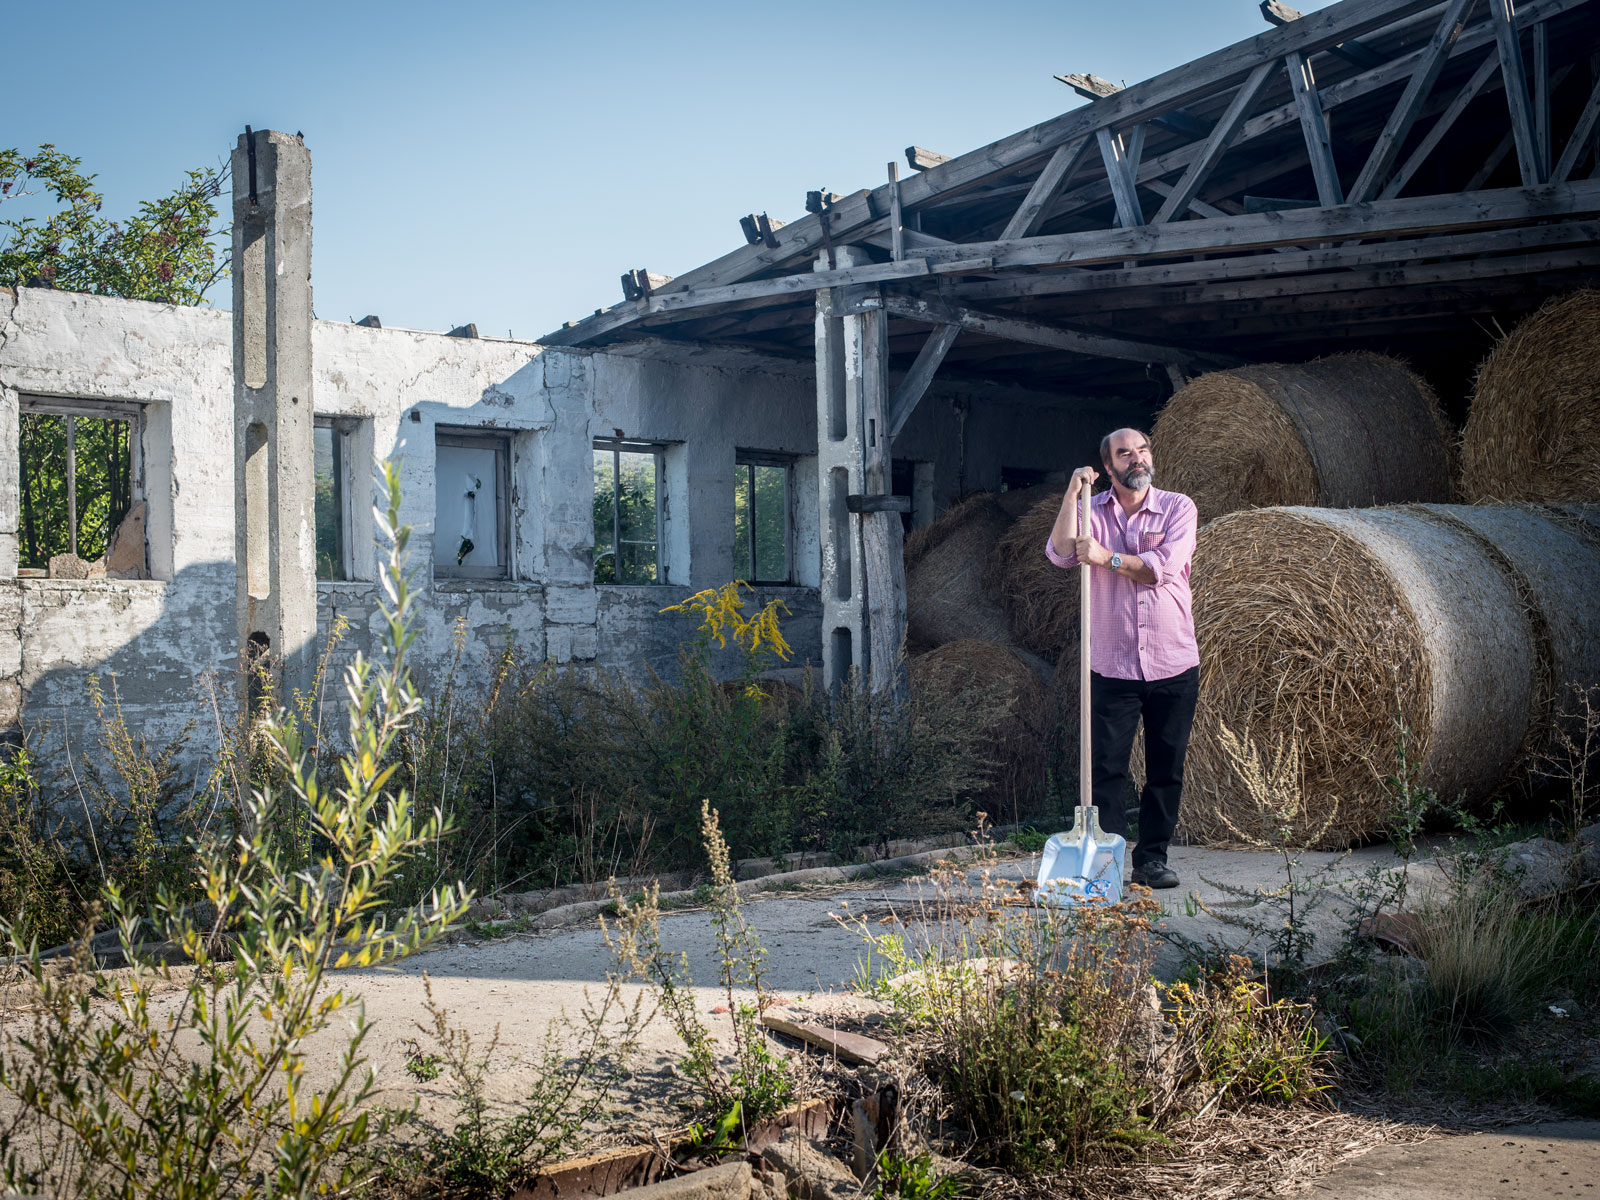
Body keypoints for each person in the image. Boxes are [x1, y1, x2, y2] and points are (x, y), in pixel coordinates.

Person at [1044, 427, 1199, 889]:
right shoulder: (1089, 512)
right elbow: (1058, 554)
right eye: (1125, 453)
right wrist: (1073, 493)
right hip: (1111, 664)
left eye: (1143, 450)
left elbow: (1161, 569)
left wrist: (1107, 558)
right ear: (1108, 467)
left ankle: (1152, 859)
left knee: (1165, 769)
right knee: (1106, 770)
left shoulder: (1178, 507)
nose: (1137, 459)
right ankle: (1105, 866)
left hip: (1173, 662)